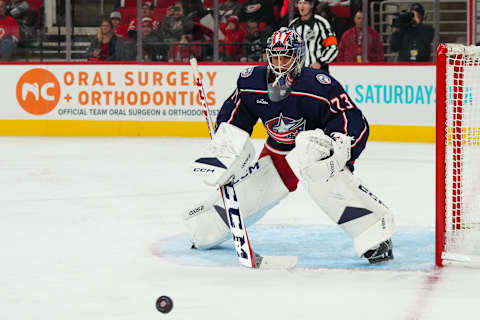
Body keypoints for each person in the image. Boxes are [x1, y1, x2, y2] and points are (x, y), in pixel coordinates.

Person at [184, 28, 396, 265]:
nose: (279, 64)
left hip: (312, 156)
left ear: (299, 57)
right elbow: (234, 118)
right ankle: (207, 228)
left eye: (285, 57)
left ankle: (374, 233)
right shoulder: (251, 82)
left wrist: (341, 149)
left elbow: (352, 120)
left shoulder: (319, 85)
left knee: (310, 155)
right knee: (244, 198)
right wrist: (225, 148)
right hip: (276, 155)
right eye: (274, 57)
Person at [288, 0, 338, 73]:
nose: (302, 6)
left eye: (305, 3)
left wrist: (320, 62)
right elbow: (289, 49)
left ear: (311, 5)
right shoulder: (293, 25)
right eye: (300, 3)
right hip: (298, 73)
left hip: (319, 72)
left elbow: (332, 47)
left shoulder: (321, 23)